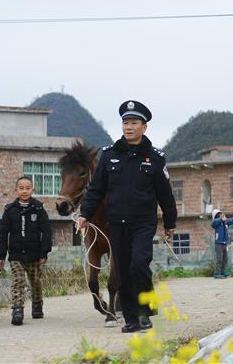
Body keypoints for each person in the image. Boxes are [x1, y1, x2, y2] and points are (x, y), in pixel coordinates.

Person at [77, 100, 177, 333]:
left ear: (144, 127)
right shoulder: (110, 156)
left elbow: (165, 194)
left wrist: (170, 222)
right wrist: (85, 214)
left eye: (133, 123)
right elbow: (96, 190)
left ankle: (144, 313)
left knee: (139, 264)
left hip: (143, 223)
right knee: (121, 270)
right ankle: (131, 319)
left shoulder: (155, 158)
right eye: (125, 122)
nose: (128, 127)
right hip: (116, 223)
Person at [0, 176, 53, 325]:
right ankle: (17, 309)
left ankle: (37, 304)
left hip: (34, 254)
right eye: (21, 188)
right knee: (18, 281)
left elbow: (47, 231)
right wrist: (1, 255)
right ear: (16, 190)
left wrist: (44, 252)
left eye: (27, 188)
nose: (24, 191)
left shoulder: (38, 208)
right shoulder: (9, 210)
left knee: (35, 281)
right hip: (15, 254)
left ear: (32, 190)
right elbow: (3, 234)